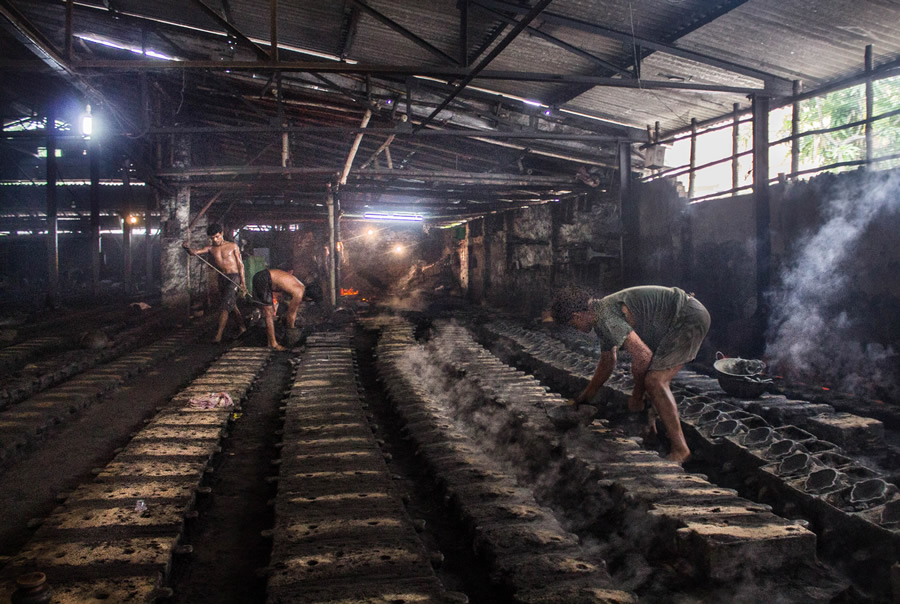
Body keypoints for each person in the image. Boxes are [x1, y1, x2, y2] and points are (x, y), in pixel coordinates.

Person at [551, 285, 710, 463]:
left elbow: (643, 356)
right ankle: (650, 432)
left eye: (574, 325)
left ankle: (681, 449)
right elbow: (607, 362)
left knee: (655, 381)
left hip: (687, 317)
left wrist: (636, 396)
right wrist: (585, 397)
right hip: (680, 317)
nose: (578, 329)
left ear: (577, 316)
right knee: (650, 375)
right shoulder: (601, 314)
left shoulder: (605, 316)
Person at [182, 224, 247, 343]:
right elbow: (193, 253)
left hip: (234, 277)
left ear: (221, 233)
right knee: (230, 304)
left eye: (217, 237)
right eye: (212, 238)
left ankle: (218, 335)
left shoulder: (233, 246)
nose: (215, 240)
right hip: (222, 277)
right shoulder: (211, 248)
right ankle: (242, 327)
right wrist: (186, 248)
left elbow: (240, 265)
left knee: (224, 306)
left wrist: (243, 282)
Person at [252, 267, 306, 350]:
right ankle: (273, 344)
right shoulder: (299, 293)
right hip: (264, 278)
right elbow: (291, 315)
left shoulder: (300, 285)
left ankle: (270, 341)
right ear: (309, 299)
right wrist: (291, 331)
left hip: (262, 276)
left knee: (267, 312)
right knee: (268, 313)